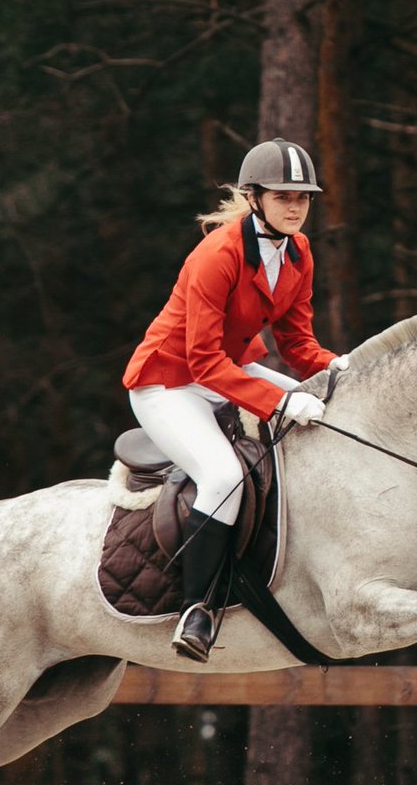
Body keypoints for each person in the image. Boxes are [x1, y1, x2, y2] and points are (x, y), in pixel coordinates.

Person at [122, 137, 347, 662]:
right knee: (223, 476)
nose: (295, 207)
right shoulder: (216, 255)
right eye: (283, 196)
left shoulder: (300, 252)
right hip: (167, 381)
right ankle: (196, 610)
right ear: (254, 198)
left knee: (333, 416)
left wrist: (336, 367)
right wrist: (278, 403)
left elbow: (297, 346)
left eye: (303, 198)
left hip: (228, 368)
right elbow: (201, 362)